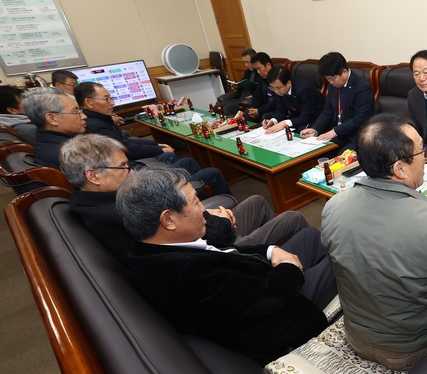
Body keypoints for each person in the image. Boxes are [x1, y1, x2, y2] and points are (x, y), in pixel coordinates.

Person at [116, 167, 336, 364]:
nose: (204, 209)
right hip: (280, 315)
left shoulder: (151, 246)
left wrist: (271, 250)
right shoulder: (188, 273)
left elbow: (227, 251)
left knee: (309, 236)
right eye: (196, 202)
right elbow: (268, 299)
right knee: (340, 258)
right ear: (169, 220)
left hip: (254, 280)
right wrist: (289, 267)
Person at [321, 113, 427, 371]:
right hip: (409, 350)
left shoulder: (333, 206)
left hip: (356, 335)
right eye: (422, 150)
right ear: (400, 169)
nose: (426, 156)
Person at [60, 133, 310, 265]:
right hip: (220, 248)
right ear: (93, 176)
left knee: (257, 200)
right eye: (124, 167)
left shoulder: (93, 201)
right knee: (293, 218)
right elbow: (191, 236)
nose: (131, 171)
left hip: (208, 232)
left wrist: (210, 214)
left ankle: (271, 248)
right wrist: (220, 220)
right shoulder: (119, 212)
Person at [75, 81, 231, 195]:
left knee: (188, 161)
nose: (112, 103)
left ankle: (202, 194)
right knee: (213, 172)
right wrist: (158, 149)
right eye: (107, 99)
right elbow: (127, 148)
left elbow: (125, 143)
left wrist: (156, 145)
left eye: (111, 98)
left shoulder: (98, 120)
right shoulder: (97, 126)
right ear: (89, 102)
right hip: (141, 178)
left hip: (137, 170)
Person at [301, 52, 374, 153]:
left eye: (332, 79)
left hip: (357, 136)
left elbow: (359, 119)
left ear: (344, 72)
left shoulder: (362, 88)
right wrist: (315, 129)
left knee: (340, 155)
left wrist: (334, 132)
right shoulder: (334, 86)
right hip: (339, 134)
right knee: (317, 151)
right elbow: (327, 111)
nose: (331, 82)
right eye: (328, 79)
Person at [23, 87, 87, 167]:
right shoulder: (71, 155)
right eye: (75, 112)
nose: (84, 116)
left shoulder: (46, 145)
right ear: (52, 118)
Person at [260, 65, 325, 134]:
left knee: (300, 130)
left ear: (288, 83)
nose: (275, 91)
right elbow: (281, 109)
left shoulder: (304, 90)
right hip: (297, 116)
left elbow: (306, 117)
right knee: (270, 119)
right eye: (272, 88)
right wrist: (273, 121)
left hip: (315, 118)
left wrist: (284, 123)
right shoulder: (278, 90)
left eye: (278, 88)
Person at [215, 48, 258, 116]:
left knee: (227, 108)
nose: (246, 65)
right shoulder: (248, 71)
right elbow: (242, 82)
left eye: (248, 62)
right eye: (244, 62)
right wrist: (236, 85)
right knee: (217, 107)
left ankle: (233, 122)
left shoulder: (260, 72)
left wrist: (253, 95)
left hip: (248, 100)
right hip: (240, 97)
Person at [246, 52, 277, 121]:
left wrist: (259, 111)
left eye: (259, 69)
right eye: (256, 70)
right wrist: (252, 109)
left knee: (265, 116)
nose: (258, 72)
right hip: (265, 107)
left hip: (276, 109)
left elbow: (277, 101)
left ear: (268, 65)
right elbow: (257, 96)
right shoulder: (262, 78)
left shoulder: (278, 77)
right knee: (247, 113)